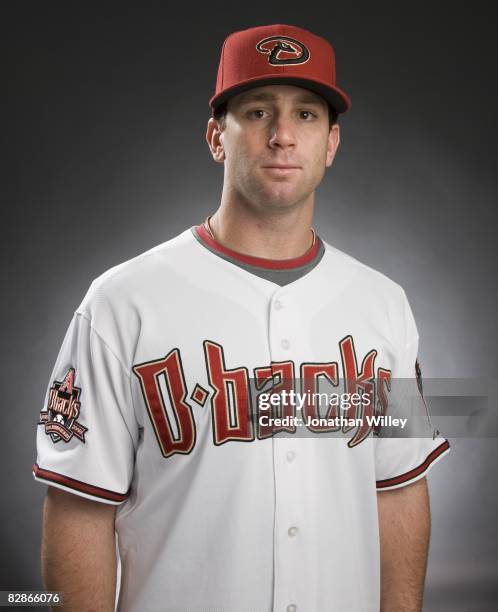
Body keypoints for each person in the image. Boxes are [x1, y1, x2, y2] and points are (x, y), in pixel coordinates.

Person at [33, 24, 450, 612]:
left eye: (306, 114)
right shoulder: (120, 303)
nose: (282, 136)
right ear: (216, 138)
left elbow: (399, 491)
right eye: (257, 111)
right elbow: (79, 508)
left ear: (331, 143)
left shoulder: (384, 304)